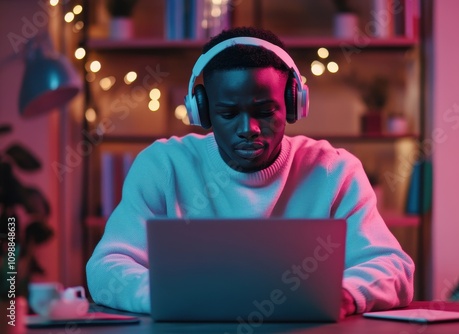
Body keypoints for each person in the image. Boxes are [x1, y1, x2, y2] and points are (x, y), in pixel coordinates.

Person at [86, 26, 414, 318]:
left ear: (294, 103)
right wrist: (166, 296)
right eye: (228, 113)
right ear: (202, 110)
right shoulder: (163, 166)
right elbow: (105, 267)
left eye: (264, 111)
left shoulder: (334, 170)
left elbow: (394, 267)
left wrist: (342, 296)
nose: (249, 129)